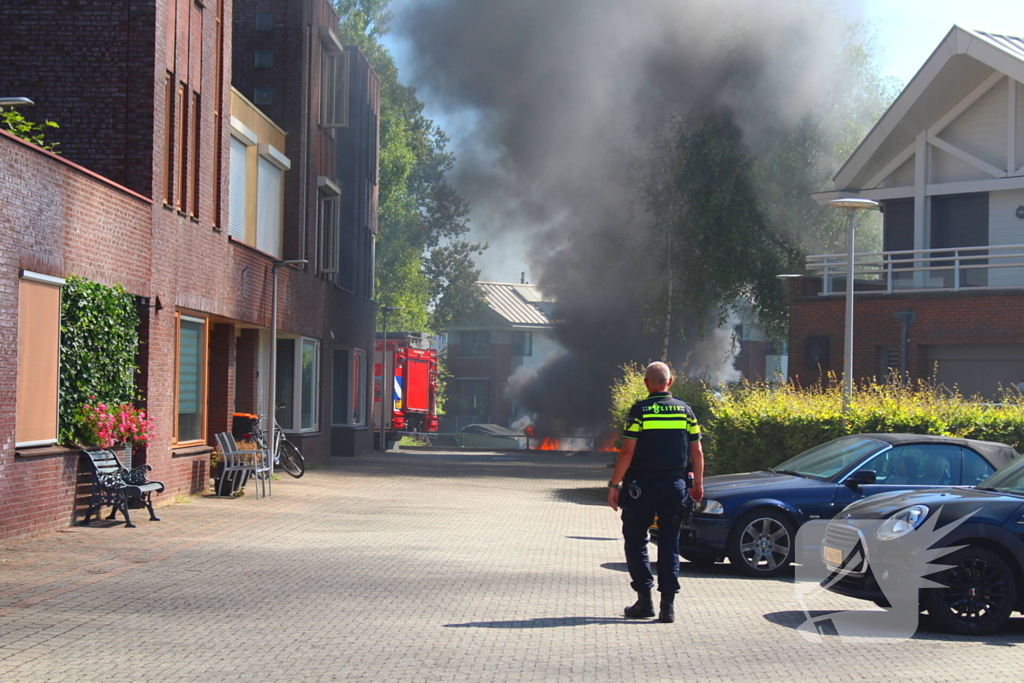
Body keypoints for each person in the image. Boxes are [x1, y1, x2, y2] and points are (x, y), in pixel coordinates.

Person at [607, 361, 704, 623]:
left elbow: (628, 451)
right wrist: (698, 485)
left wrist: (614, 485)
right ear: (670, 382)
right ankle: (667, 608)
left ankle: (644, 601)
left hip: (642, 487)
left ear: (646, 383)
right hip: (675, 487)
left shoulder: (640, 411)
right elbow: (696, 451)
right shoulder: (686, 411)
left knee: (637, 539)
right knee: (670, 543)